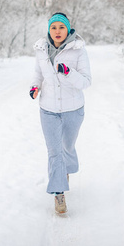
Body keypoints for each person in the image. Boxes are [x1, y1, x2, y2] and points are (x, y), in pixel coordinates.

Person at [30, 12, 91, 214]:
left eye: (61, 27)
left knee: (67, 146)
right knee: (54, 152)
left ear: (68, 30)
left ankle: (65, 170)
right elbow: (38, 73)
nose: (57, 31)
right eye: (54, 27)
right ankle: (58, 193)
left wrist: (68, 72)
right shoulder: (41, 49)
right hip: (48, 109)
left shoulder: (78, 50)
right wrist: (35, 86)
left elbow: (86, 82)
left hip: (73, 110)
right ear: (49, 29)